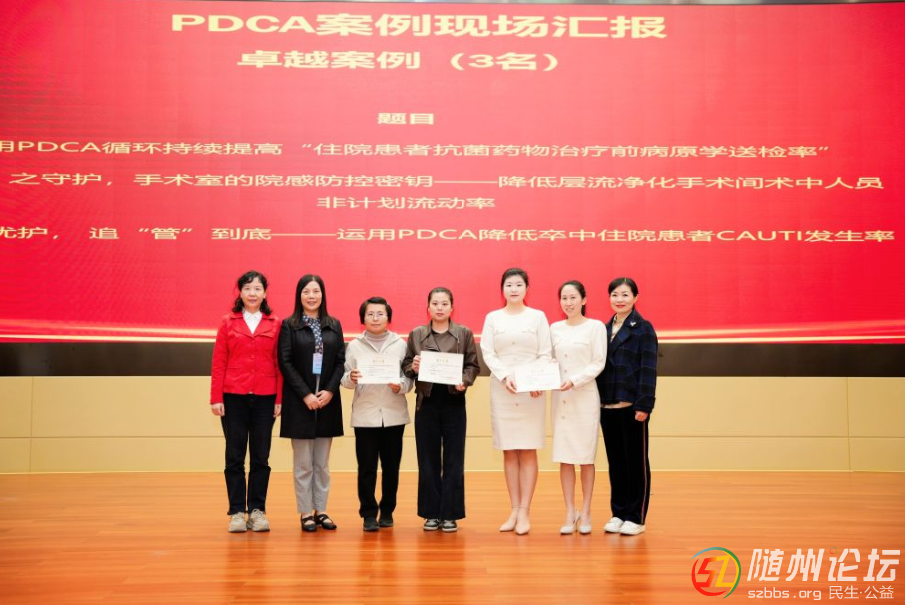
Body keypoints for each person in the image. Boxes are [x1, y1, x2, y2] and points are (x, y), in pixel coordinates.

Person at [480, 268, 552, 535]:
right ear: (502, 289)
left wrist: (535, 380)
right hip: (504, 388)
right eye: (509, 285)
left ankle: (525, 512)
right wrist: (505, 376)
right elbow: (488, 352)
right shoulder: (493, 318)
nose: (513, 289)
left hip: (531, 390)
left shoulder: (538, 317)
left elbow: (545, 352)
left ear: (526, 288)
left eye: (519, 284)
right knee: (509, 450)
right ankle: (513, 509)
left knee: (528, 449)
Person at [209, 270, 282, 533]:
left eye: (257, 288)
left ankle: (258, 511)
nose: (252, 293)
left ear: (265, 293)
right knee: (234, 456)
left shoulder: (275, 323)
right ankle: (237, 512)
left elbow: (280, 363)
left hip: (265, 398)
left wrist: (279, 398)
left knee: (261, 457)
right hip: (233, 397)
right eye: (248, 288)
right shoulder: (228, 322)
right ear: (240, 292)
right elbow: (219, 362)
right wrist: (216, 397)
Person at [403, 287, 480, 533]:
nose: (439, 307)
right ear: (428, 307)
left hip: (453, 401)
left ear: (451, 307)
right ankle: (431, 513)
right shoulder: (416, 334)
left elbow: (473, 365)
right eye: (435, 303)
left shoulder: (463, 333)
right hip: (426, 402)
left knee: (454, 459)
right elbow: (406, 365)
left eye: (444, 303)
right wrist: (413, 367)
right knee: (427, 459)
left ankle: (450, 514)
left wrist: (464, 381)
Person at [278, 275, 345, 533]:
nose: (311, 296)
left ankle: (321, 510)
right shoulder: (289, 325)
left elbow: (340, 361)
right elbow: (285, 362)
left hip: (327, 401)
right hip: (300, 402)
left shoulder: (333, 324)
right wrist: (306, 394)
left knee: (322, 464)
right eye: (306, 292)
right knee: (303, 463)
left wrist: (330, 391)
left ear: (322, 294)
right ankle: (306, 512)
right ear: (299, 295)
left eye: (316, 291)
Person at [341, 297, 413, 532]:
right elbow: (344, 379)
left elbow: (408, 378)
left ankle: (388, 511)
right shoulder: (354, 345)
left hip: (393, 415)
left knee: (392, 467)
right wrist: (350, 378)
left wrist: (400, 385)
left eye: (380, 314)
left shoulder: (400, 344)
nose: (375, 318)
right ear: (363, 318)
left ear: (388, 318)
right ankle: (369, 514)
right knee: (367, 468)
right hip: (365, 415)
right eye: (370, 314)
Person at [596, 277, 658, 536]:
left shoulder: (643, 328)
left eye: (625, 294)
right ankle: (618, 513)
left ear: (635, 297)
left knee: (636, 463)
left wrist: (644, 405)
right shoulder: (602, 329)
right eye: (615, 295)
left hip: (633, 407)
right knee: (617, 463)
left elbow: (648, 369)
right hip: (607, 406)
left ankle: (636, 517)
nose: (619, 299)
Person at [550, 281, 607, 535]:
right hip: (561, 398)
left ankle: (586, 510)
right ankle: (569, 511)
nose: (568, 302)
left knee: (585, 457)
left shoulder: (595, 327)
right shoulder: (554, 328)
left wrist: (575, 380)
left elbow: (598, 362)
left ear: (584, 299)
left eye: (573, 297)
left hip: (584, 397)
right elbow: (547, 361)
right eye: (564, 298)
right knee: (564, 457)